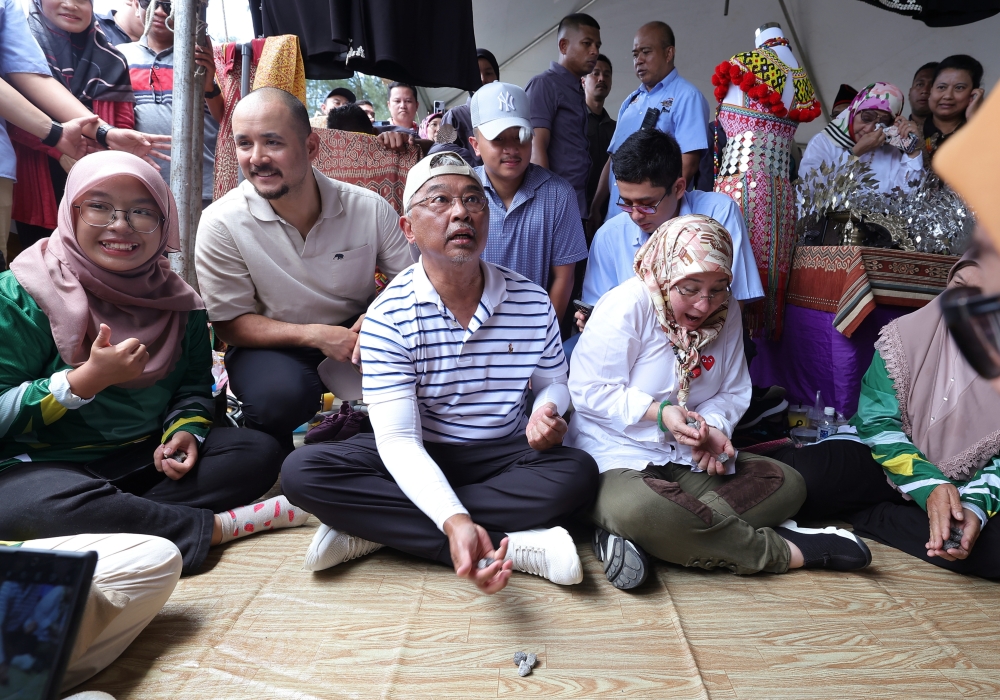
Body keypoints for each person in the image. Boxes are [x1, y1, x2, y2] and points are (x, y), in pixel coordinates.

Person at [281, 152, 600, 592]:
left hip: (500, 453)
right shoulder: (388, 316)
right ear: (407, 228)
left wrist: (545, 411)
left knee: (577, 473)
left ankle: (375, 531)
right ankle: (518, 547)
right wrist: (454, 521)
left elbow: (553, 383)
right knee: (303, 471)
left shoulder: (531, 300)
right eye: (440, 200)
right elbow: (397, 441)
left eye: (474, 200)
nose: (461, 212)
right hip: (419, 447)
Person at [0, 151, 309, 577]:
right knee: (21, 507)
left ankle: (108, 528)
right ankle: (213, 528)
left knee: (257, 453)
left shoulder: (180, 304)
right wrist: (84, 381)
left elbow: (193, 389)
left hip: (142, 460)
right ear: (70, 211)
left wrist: (184, 431)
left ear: (164, 223)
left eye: (142, 212)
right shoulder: (19, 296)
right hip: (38, 469)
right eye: (99, 207)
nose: (121, 225)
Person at [566, 214, 872, 589]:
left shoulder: (726, 314)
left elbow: (733, 390)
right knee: (639, 509)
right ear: (664, 274)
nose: (703, 305)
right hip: (616, 453)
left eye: (718, 288)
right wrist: (660, 413)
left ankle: (649, 536)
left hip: (684, 456)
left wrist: (711, 427)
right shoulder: (626, 306)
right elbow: (587, 389)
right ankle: (786, 551)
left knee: (785, 482)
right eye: (689, 288)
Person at [195, 88, 413, 454]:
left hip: (359, 330)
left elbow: (410, 282)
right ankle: (272, 457)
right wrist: (317, 335)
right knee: (276, 399)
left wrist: (375, 319)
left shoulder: (368, 208)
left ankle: (376, 448)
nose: (257, 158)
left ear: (311, 147)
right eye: (244, 144)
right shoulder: (221, 222)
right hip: (272, 340)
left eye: (273, 142)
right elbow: (230, 323)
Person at [775, 257, 1000, 578]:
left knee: (987, 546)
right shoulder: (905, 338)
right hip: (884, 461)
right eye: (959, 287)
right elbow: (877, 424)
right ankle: (903, 516)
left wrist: (976, 506)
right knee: (798, 479)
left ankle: (874, 517)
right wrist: (930, 486)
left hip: (967, 483)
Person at [578, 129, 763, 322]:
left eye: (647, 205)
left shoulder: (719, 214)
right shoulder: (610, 234)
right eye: (626, 202)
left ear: (678, 188)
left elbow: (734, 301)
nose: (635, 215)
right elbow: (598, 305)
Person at [12, 0, 137, 250]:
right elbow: (13, 120)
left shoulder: (112, 58)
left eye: (82, 0)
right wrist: (60, 152)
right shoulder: (18, 54)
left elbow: (123, 122)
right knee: (39, 259)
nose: (71, 5)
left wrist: (101, 157)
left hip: (95, 177)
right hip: (38, 178)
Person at [469, 82, 587, 321]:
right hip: (472, 327)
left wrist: (543, 335)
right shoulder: (461, 194)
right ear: (475, 145)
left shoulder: (558, 195)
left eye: (521, 136)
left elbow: (564, 277)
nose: (512, 148)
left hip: (535, 325)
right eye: (499, 139)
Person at [1, 533, 181, 690]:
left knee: (158, 553)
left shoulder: (36, 589)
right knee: (160, 556)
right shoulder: (24, 591)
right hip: (25, 635)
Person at [593, 21, 710, 225]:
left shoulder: (687, 96)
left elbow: (688, 164)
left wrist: (658, 208)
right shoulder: (630, 102)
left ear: (668, 53)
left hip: (655, 219)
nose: (639, 60)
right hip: (617, 217)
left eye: (646, 52)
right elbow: (613, 160)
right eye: (635, 54)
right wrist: (595, 206)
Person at [118, 0, 223, 210]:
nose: (158, 11)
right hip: (140, 184)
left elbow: (227, 122)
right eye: (150, 2)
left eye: (168, 5)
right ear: (137, 5)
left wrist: (209, 85)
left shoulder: (208, 56)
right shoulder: (118, 56)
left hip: (202, 186)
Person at [525, 13, 601, 220]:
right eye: (587, 43)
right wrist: (547, 207)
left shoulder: (576, 90)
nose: (594, 51)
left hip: (577, 204)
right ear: (563, 46)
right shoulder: (544, 84)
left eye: (597, 45)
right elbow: (535, 148)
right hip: (555, 208)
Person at [799, 82, 924, 194]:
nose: (869, 129)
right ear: (854, 111)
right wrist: (855, 153)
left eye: (882, 123)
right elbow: (810, 188)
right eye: (866, 118)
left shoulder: (890, 151)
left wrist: (913, 151)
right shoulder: (824, 142)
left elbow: (908, 195)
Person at [440, 47, 500, 167]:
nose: (483, 79)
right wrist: (473, 164)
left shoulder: (506, 112)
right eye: (476, 74)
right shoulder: (454, 116)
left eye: (488, 73)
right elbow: (440, 150)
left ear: (497, 76)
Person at [924, 54, 984, 159]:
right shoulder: (908, 133)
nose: (948, 96)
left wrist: (975, 121)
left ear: (974, 93)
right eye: (941, 87)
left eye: (959, 88)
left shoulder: (987, 134)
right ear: (931, 90)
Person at [584, 54, 615, 226]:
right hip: (578, 208)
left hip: (610, 210)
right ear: (583, 81)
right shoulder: (572, 123)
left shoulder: (617, 128)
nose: (601, 78)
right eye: (595, 73)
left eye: (606, 74)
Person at [907, 62, 938, 131]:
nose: (925, 91)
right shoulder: (893, 133)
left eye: (932, 85)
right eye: (920, 84)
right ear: (909, 93)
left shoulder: (958, 133)